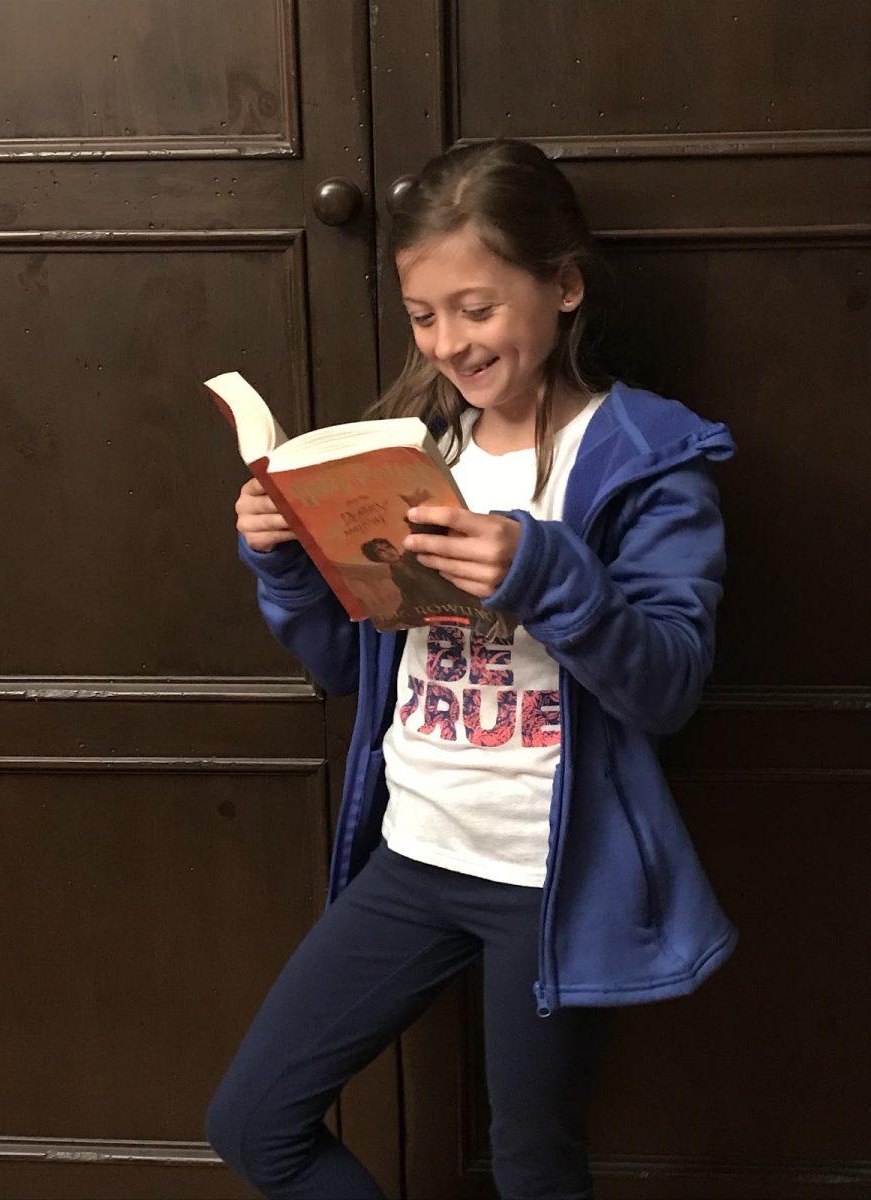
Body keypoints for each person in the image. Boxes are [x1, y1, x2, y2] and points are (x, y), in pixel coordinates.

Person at [206, 139, 737, 1200]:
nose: (448, 342)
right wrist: (283, 565)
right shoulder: (408, 450)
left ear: (565, 285)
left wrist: (540, 569)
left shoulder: (645, 459)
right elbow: (346, 670)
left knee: (536, 1168)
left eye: (477, 308)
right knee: (255, 1121)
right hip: (416, 854)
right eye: (422, 315)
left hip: (552, 879)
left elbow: (669, 684)